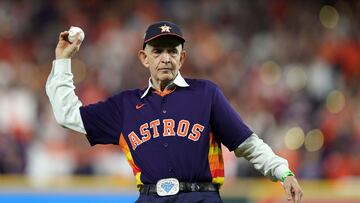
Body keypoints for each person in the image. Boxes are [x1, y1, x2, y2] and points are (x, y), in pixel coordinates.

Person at [46, 21, 303, 203]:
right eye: (157, 51)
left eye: (172, 51)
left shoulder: (206, 94)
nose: (165, 58)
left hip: (200, 196)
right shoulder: (125, 106)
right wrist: (63, 60)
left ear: (182, 58)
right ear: (144, 58)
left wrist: (283, 172)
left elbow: (247, 144)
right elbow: (68, 115)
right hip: (150, 197)